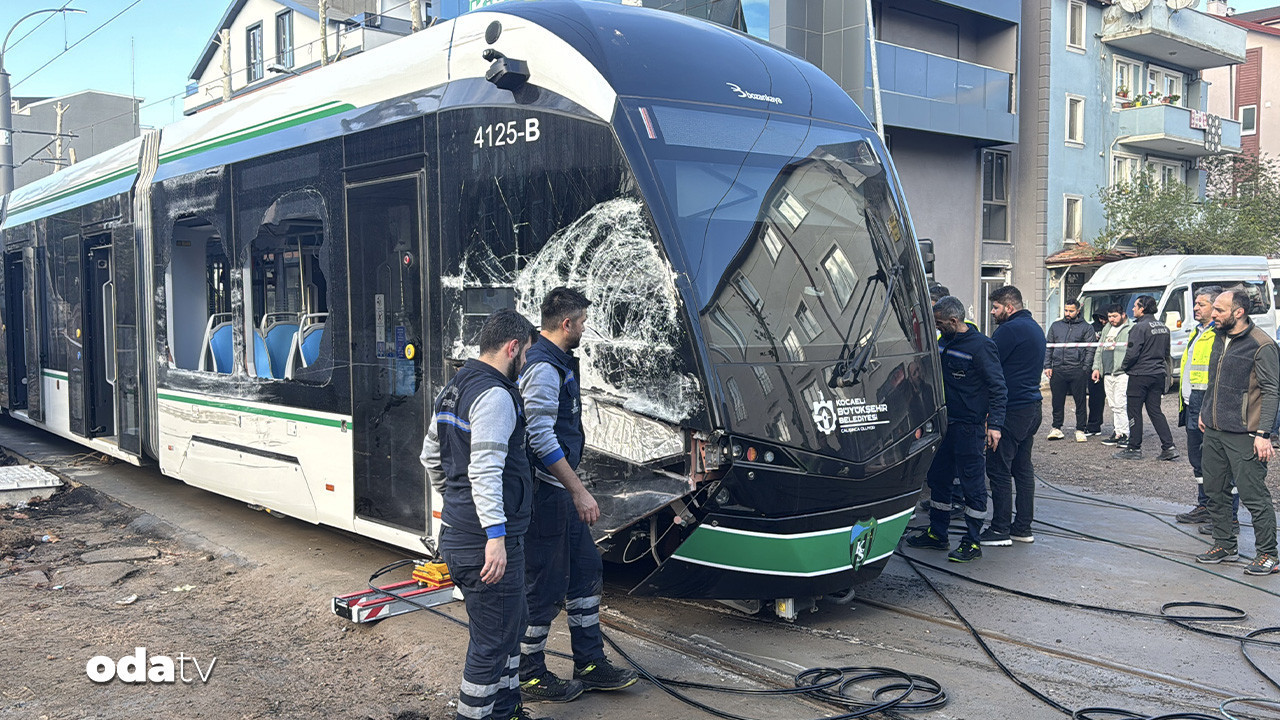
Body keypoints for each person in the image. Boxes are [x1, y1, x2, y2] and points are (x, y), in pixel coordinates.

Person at [420, 309, 550, 720]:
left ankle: (506, 710)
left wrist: (457, 503)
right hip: (485, 542)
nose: (527, 363)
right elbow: (485, 469)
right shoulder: (495, 395)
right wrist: (493, 533)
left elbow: (429, 457)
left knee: (511, 626)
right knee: (493, 640)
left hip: (462, 534)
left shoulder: (453, 388)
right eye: (526, 354)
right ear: (512, 348)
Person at [519, 288, 637, 702]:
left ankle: (589, 663)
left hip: (560, 496)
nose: (586, 327)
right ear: (566, 324)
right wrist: (579, 490)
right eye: (583, 321)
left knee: (586, 570)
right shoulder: (544, 368)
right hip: (547, 496)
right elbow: (539, 436)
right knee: (546, 587)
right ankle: (529, 673)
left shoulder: (558, 362)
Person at [905, 296, 1006, 562]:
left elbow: (998, 387)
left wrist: (994, 425)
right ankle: (938, 534)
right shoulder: (942, 343)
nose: (937, 328)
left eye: (939, 324)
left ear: (953, 321)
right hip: (943, 424)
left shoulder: (982, 346)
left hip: (969, 427)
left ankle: (972, 542)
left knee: (973, 484)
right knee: (939, 479)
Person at [1195, 289, 1280, 575]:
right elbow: (1213, 379)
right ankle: (1224, 544)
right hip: (1215, 430)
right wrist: (1206, 412)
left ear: (1239, 312)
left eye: (1219, 309)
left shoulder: (1262, 345)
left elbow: (1271, 391)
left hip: (1246, 434)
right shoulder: (1219, 336)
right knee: (1214, 490)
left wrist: (1264, 434)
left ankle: (1268, 554)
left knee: (1253, 494)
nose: (1213, 314)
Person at [981, 285, 1045, 546]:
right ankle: (1022, 527)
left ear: (1009, 307)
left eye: (996, 308)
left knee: (998, 468)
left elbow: (987, 364)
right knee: (1022, 468)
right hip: (1032, 408)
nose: (993, 313)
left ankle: (999, 529)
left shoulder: (1008, 331)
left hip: (1011, 409)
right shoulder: (1035, 328)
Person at [1174, 286, 1240, 530]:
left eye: (1201, 304)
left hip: (1210, 404)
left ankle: (1228, 517)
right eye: (1196, 303)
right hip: (1193, 403)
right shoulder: (1199, 331)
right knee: (1198, 461)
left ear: (1217, 306)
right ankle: (1206, 506)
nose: (1195, 308)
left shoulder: (1223, 333)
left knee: (1220, 463)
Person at [1113, 295, 1177, 461]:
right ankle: (1169, 446)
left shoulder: (1139, 328)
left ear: (1142, 309)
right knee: (1155, 411)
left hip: (1139, 375)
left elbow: (1132, 353)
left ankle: (1134, 447)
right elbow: (1166, 353)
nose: (1133, 309)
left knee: (1134, 411)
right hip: (1157, 374)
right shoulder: (1164, 327)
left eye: (1135, 306)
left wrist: (1125, 367)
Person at [1045, 299, 1097, 443]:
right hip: (1058, 369)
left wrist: (1085, 368)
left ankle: (1080, 429)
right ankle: (1056, 427)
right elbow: (1049, 346)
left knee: (1080, 401)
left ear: (1078, 310)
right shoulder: (1056, 326)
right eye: (1066, 310)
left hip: (1077, 369)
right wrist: (1047, 365)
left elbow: (1090, 348)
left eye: (1071, 311)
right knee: (1057, 400)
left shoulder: (1086, 328)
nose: (1068, 313)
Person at [1092, 306, 1132, 447]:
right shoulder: (1107, 328)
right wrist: (1096, 368)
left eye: (1115, 316)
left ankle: (1126, 434)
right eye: (1110, 316)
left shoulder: (1131, 328)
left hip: (1122, 373)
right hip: (1108, 372)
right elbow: (1099, 349)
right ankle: (1118, 432)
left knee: (1121, 404)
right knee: (1113, 404)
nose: (1112, 319)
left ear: (1123, 315)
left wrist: (1126, 367)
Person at [1084, 311, 1107, 437]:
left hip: (1113, 368)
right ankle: (1094, 425)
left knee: (1119, 402)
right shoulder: (1091, 328)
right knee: (1095, 399)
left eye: (1105, 318)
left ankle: (1122, 429)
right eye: (1101, 318)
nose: (1103, 321)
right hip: (1095, 367)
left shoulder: (1118, 328)